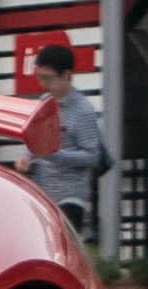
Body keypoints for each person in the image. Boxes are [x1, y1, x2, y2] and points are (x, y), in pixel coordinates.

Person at [14, 43, 101, 247]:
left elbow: (92, 156)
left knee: (63, 250)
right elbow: (33, 140)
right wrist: (26, 156)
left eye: (48, 78)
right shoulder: (44, 104)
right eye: (40, 77)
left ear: (66, 74)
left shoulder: (83, 111)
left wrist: (52, 155)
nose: (43, 84)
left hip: (70, 196)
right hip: (42, 193)